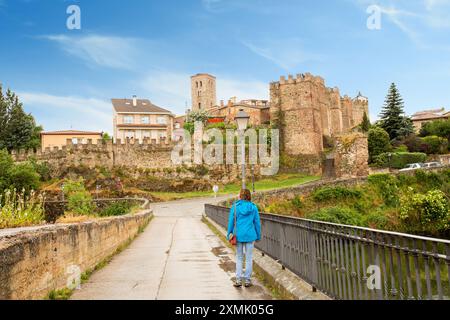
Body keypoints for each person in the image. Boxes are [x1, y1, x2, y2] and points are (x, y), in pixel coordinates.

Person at [227, 189, 261, 288]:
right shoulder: (253, 207)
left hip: (238, 235)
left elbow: (231, 222)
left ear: (240, 196)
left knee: (239, 257)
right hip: (250, 235)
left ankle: (238, 280)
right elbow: (257, 223)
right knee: (249, 258)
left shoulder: (235, 207)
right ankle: (247, 280)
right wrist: (258, 236)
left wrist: (229, 233)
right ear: (249, 196)